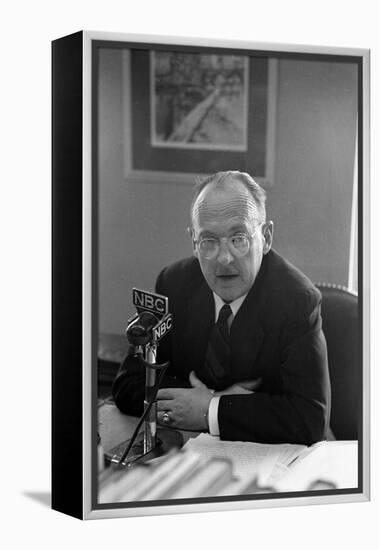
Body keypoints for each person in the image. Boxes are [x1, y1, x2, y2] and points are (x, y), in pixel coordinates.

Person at [112, 171, 331, 445]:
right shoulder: (174, 282)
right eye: (209, 241)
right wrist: (196, 404)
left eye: (239, 238)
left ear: (266, 237)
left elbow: (310, 420)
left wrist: (210, 409)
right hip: (191, 451)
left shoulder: (297, 299)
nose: (224, 258)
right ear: (194, 242)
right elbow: (128, 383)